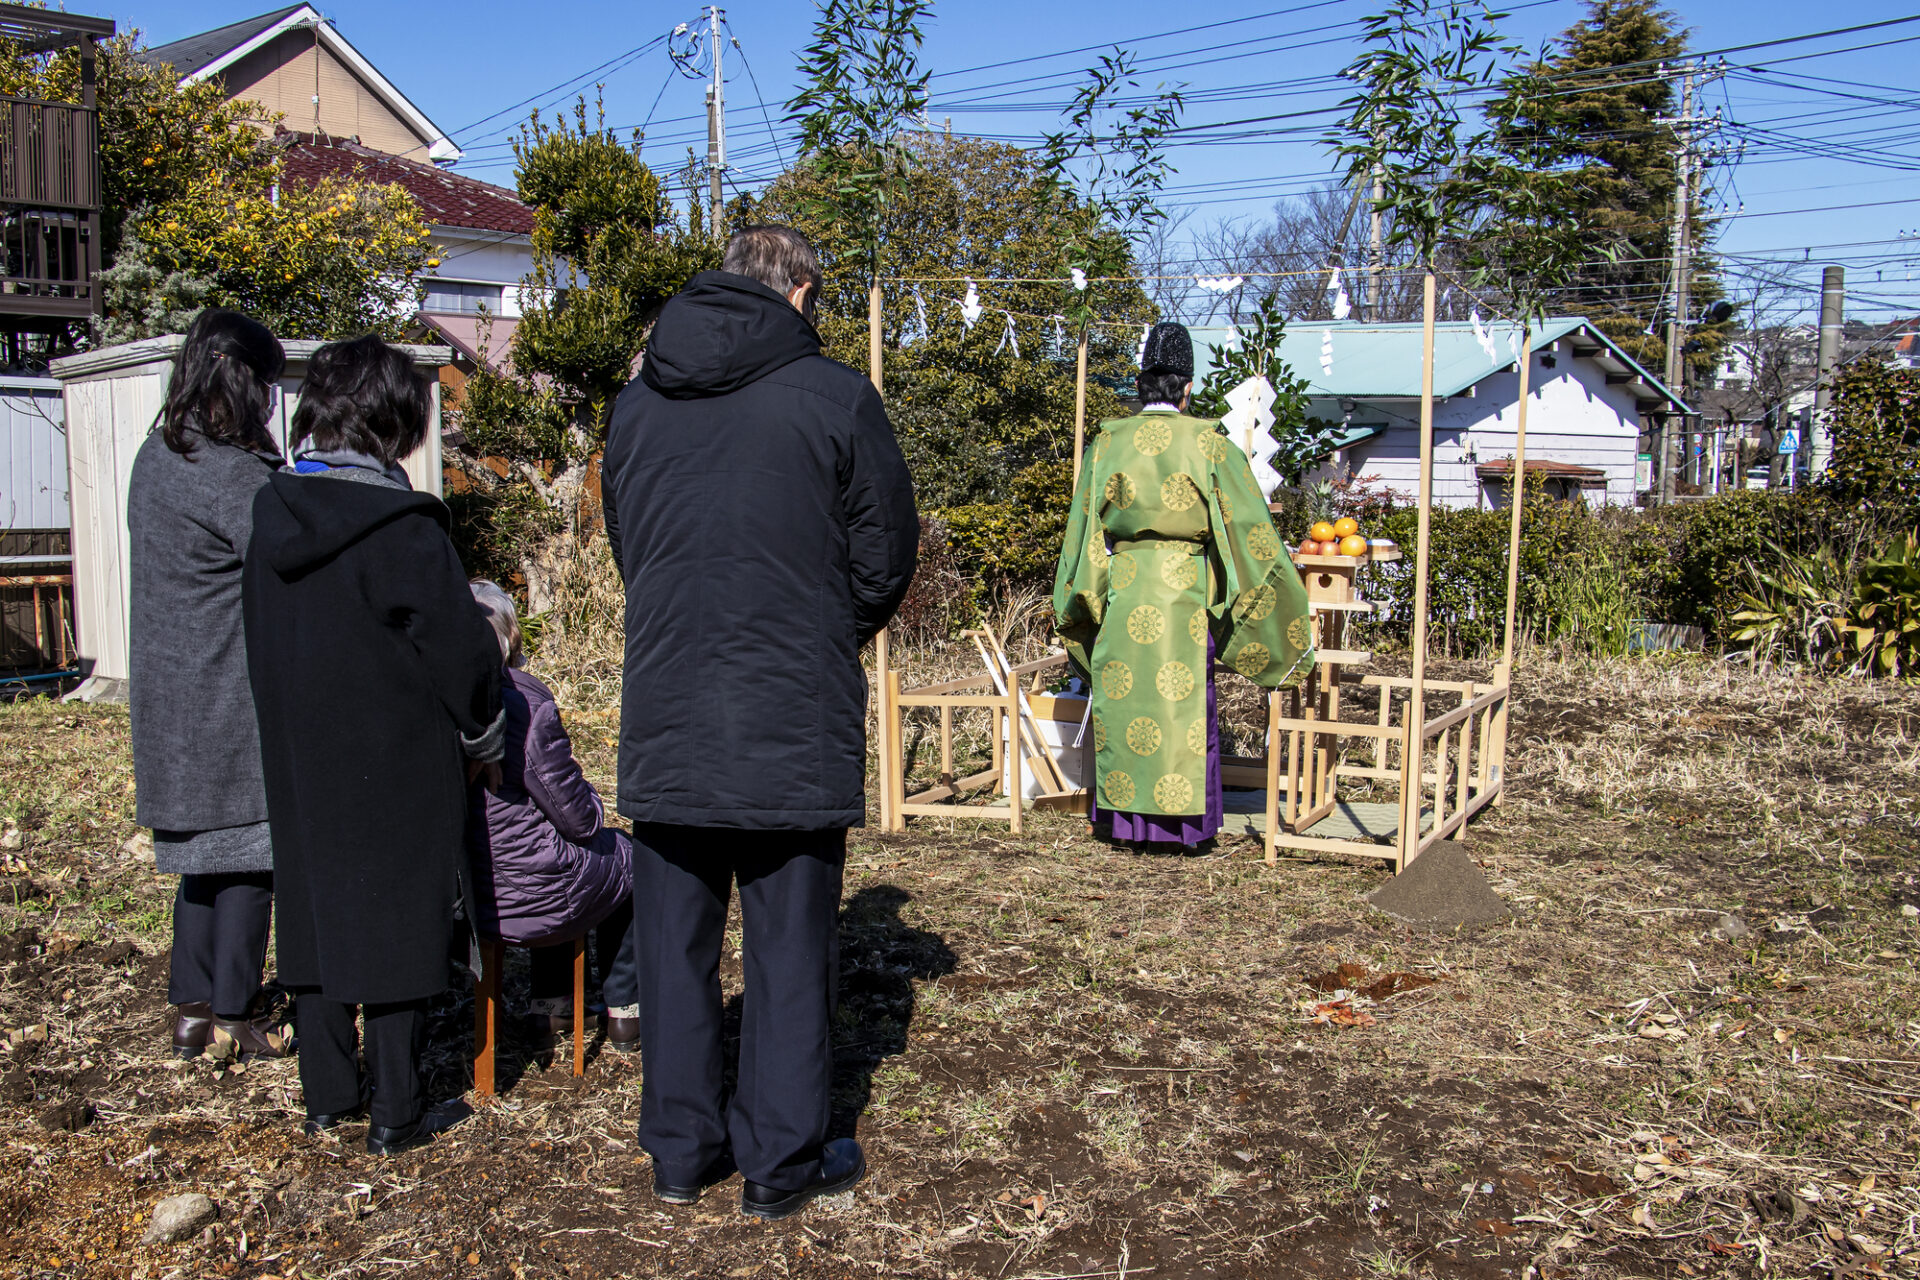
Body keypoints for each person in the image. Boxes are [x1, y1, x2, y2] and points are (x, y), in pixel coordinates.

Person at [600, 225, 918, 1220]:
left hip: (671, 700)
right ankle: (781, 1161)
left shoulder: (636, 405)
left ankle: (681, 1153)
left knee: (672, 944)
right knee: (788, 948)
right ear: (801, 292)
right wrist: (826, 627)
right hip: (789, 703)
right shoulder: (834, 396)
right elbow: (885, 550)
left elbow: (632, 546)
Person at [242, 335, 504, 1155]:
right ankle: (397, 1109)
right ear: (400, 420)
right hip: (395, 753)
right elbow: (462, 653)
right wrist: (484, 728)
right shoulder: (402, 525)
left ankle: (326, 1096)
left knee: (315, 908)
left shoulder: (271, 513)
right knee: (394, 920)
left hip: (296, 747)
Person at [1051, 321, 1314, 849]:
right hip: (1184, 590)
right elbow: (1249, 533)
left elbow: (1081, 535)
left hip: (1124, 587)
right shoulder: (1209, 444)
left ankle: (1124, 825)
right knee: (1182, 706)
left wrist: (1083, 602)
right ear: (1188, 387)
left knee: (1124, 701)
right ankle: (1184, 830)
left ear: (1140, 383)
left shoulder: (1106, 443)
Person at [127, 308, 293, 1062]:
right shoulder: (234, 475)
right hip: (230, 687)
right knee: (252, 855)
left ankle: (191, 1009)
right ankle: (235, 1011)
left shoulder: (156, 456)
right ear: (245, 382)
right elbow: (287, 559)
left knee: (200, 857)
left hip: (170, 687)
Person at [465, 580, 638, 1050]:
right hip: (532, 892)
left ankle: (551, 1006)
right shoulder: (525, 700)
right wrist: (598, 808)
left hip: (465, 895)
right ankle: (625, 1009)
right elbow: (578, 818)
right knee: (625, 858)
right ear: (509, 636)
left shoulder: (427, 704)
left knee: (555, 853)